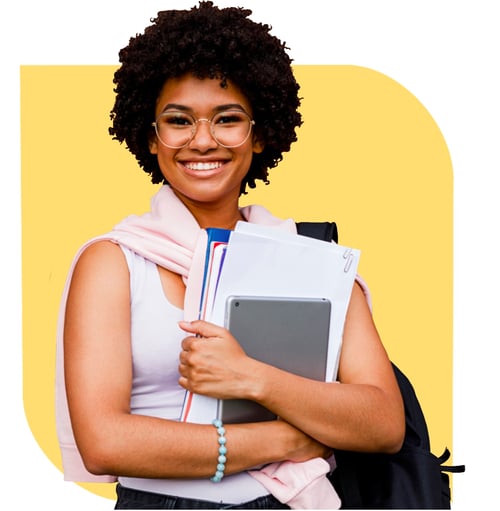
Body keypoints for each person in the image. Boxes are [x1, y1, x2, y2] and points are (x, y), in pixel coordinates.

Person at [55, 2, 405, 509]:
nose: (202, 141)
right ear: (152, 138)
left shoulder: (312, 261)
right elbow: (105, 443)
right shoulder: (115, 262)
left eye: (228, 119)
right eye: (178, 121)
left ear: (260, 134)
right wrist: (282, 441)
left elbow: (383, 423)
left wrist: (254, 378)